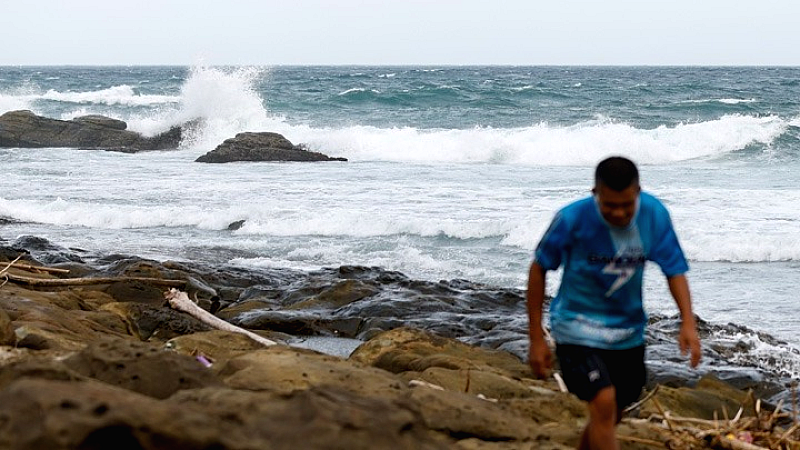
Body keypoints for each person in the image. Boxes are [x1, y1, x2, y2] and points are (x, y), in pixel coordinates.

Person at [527, 156, 701, 450]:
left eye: (626, 205)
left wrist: (687, 322)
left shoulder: (654, 215)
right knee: (604, 402)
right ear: (595, 193)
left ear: (638, 192)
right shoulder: (571, 219)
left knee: (610, 413)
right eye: (609, 206)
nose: (619, 213)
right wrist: (536, 337)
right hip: (575, 328)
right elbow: (539, 267)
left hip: (627, 333)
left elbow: (674, 270)